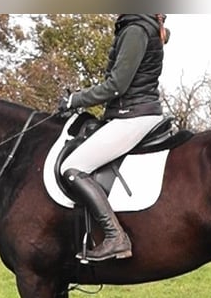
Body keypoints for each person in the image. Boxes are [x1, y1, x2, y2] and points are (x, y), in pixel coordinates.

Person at [58, 14, 170, 262]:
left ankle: (114, 237)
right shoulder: (140, 25)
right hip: (133, 113)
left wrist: (74, 99)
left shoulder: (135, 30)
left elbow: (117, 86)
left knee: (72, 167)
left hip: (132, 116)